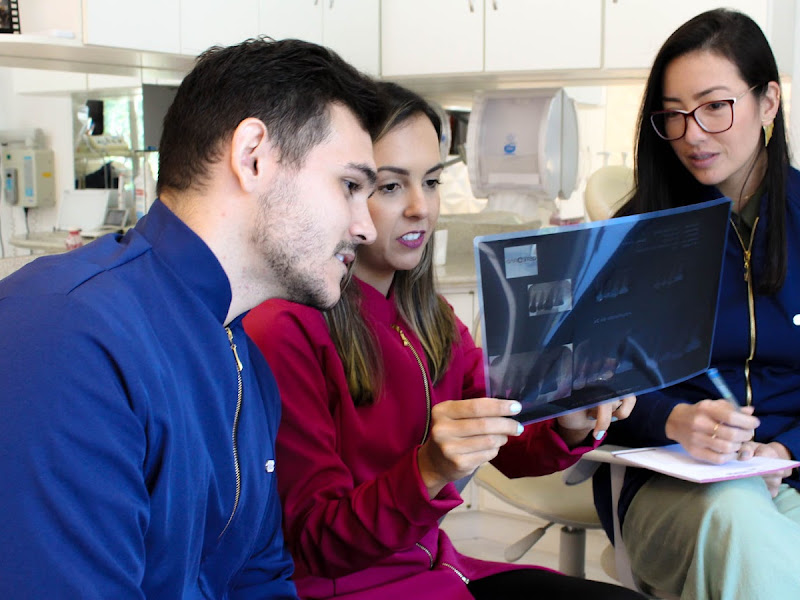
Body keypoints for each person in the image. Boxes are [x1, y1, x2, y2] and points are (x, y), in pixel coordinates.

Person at [0, 38, 381, 598]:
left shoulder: (242, 358)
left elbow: (258, 576)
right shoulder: (66, 335)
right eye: (349, 186)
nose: (367, 227)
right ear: (253, 155)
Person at [245, 81, 644, 600]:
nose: (421, 207)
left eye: (431, 181)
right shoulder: (284, 330)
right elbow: (317, 542)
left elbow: (510, 443)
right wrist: (429, 469)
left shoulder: (432, 320)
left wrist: (569, 421)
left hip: (438, 572)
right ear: (345, 190)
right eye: (391, 186)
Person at [592, 9, 800, 599]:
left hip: (788, 470)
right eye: (674, 115)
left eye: (714, 106)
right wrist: (673, 420)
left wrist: (785, 448)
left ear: (768, 102)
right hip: (670, 483)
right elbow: (592, 387)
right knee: (737, 521)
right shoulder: (635, 234)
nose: (693, 134)